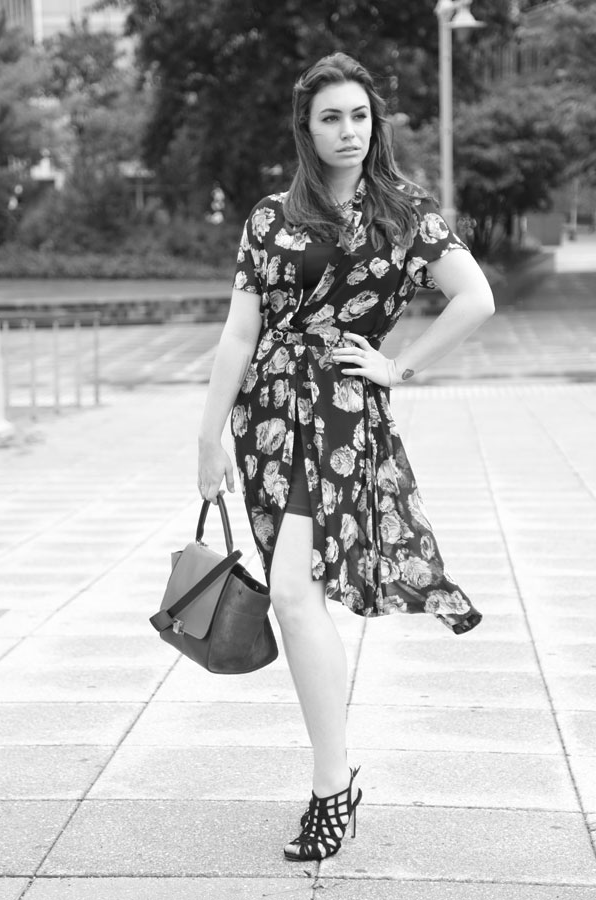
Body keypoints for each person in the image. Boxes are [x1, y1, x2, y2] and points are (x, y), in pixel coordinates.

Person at [197, 52, 495, 862]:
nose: (348, 131)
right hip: (266, 420)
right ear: (307, 127)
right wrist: (207, 435)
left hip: (337, 416)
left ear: (375, 124)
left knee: (294, 593)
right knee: (296, 596)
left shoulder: (404, 213)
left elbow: (475, 298)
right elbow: (240, 333)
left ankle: (333, 786)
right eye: (331, 117)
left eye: (359, 115)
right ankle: (333, 780)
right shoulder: (270, 217)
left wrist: (399, 368)